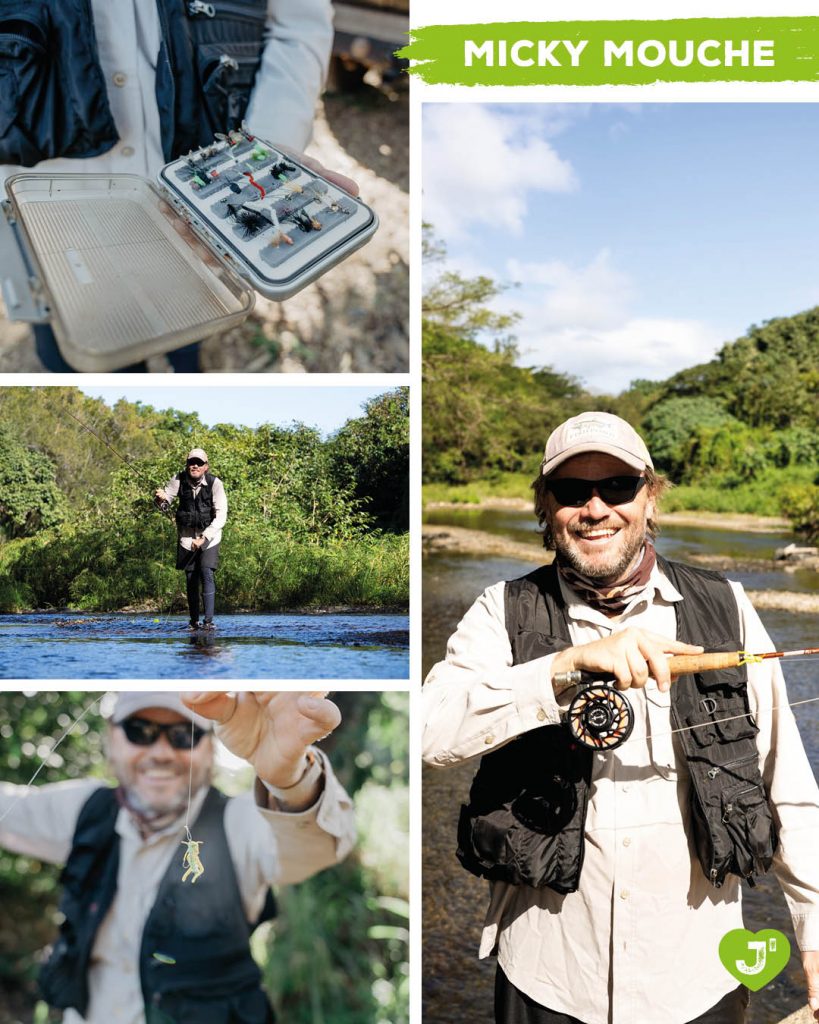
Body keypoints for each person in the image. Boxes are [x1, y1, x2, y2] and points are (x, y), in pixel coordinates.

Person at [423, 411, 819, 1024]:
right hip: (546, 977)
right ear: (546, 507)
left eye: (617, 487)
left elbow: (790, 791)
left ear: (650, 498)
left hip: (700, 977)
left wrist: (814, 934)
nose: (596, 508)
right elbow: (428, 731)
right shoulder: (500, 611)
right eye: (572, 492)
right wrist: (565, 665)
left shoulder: (728, 605)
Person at [0, 0, 357, 372]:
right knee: (90, 363)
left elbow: (298, 23)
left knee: (189, 344)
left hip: (201, 210)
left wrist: (264, 149)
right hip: (53, 219)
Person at [0, 689, 355, 1024]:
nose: (161, 752)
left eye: (183, 735)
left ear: (210, 748)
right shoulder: (82, 810)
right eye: (140, 731)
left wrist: (289, 780)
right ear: (112, 738)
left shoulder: (240, 822)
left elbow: (317, 849)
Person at [155, 447, 226, 630]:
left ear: (205, 467)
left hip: (210, 535)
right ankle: (194, 622)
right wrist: (160, 500)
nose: (194, 466)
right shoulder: (178, 480)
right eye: (191, 463)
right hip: (186, 537)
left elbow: (221, 516)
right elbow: (165, 506)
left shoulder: (215, 484)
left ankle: (208, 622)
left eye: (199, 463)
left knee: (206, 572)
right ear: (187, 465)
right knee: (191, 577)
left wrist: (204, 537)